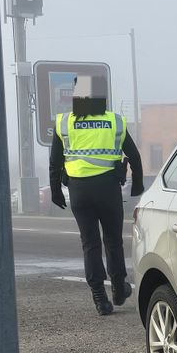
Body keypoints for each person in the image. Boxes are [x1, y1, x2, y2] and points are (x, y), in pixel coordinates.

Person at [48, 76, 144, 315]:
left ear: (76, 96)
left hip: (79, 191)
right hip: (108, 189)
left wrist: (55, 191)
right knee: (113, 241)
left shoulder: (65, 123)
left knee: (89, 242)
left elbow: (54, 162)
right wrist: (137, 187)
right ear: (102, 96)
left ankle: (100, 298)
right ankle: (120, 289)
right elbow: (134, 155)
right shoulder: (114, 122)